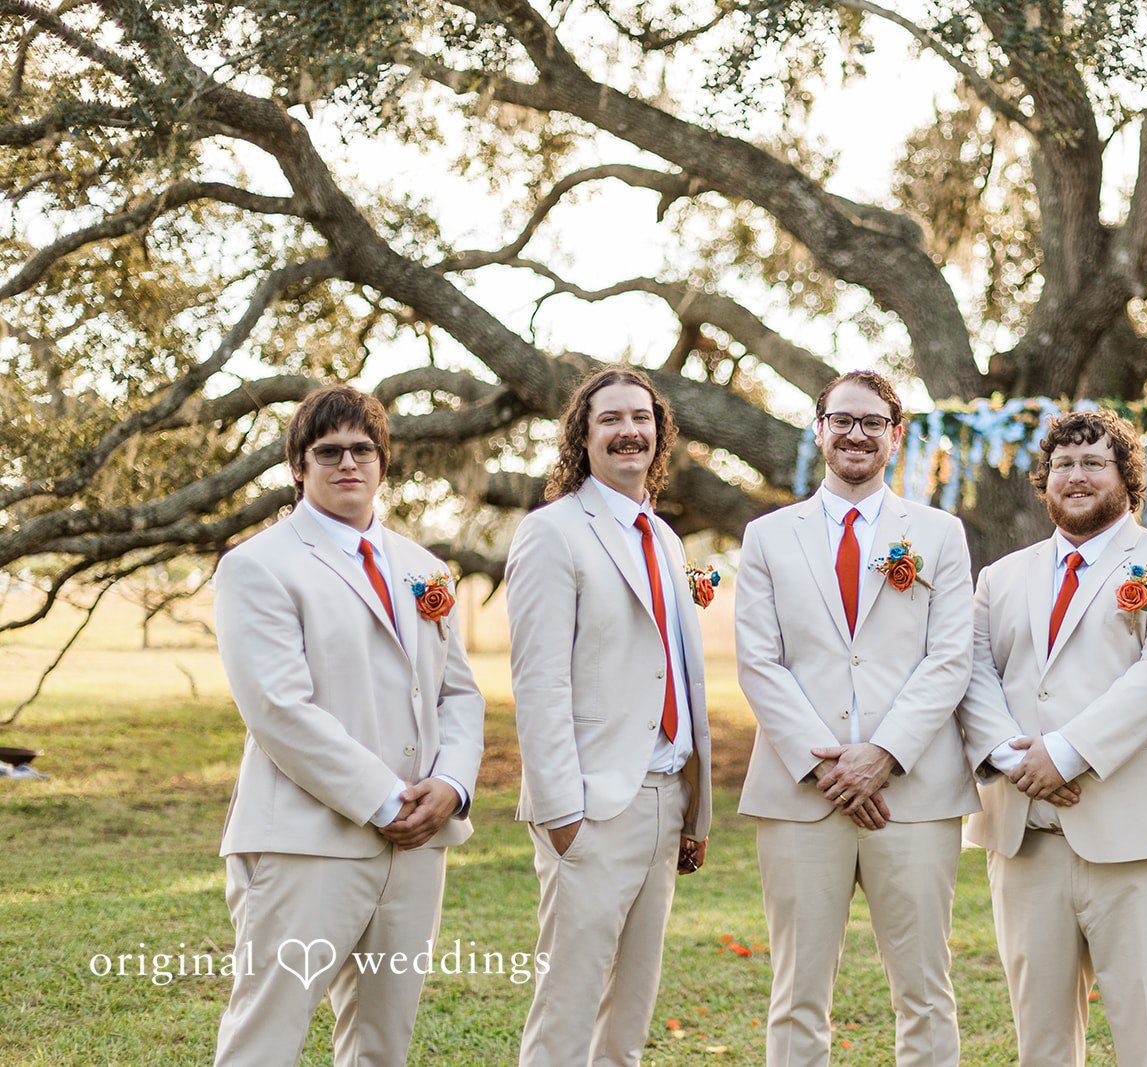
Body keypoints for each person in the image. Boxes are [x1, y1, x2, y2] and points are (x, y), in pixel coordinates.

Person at [212, 384, 484, 1067]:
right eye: (327, 451)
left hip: (416, 847)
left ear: (383, 462)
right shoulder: (258, 565)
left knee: (381, 1045)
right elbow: (279, 708)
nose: (347, 463)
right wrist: (390, 800)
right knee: (265, 1039)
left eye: (363, 449)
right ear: (298, 466)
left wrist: (450, 782)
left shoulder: (424, 568)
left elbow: (460, 692)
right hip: (307, 842)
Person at [958, 409, 1147, 1066]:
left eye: (1092, 463)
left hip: (1145, 843)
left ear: (1126, 477)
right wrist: (1008, 756)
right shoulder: (1001, 578)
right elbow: (973, 671)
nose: (1074, 476)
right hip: (1025, 839)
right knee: (1041, 1044)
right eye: (1062, 464)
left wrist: (1065, 754)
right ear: (1044, 479)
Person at [735, 370, 976, 1066]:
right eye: (842, 420)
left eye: (873, 422)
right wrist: (826, 761)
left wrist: (883, 754)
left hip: (914, 792)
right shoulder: (769, 535)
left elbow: (949, 657)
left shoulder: (938, 534)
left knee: (926, 991)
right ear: (819, 430)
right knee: (797, 992)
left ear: (895, 437)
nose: (856, 434)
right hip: (799, 794)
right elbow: (759, 660)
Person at [506, 365, 712, 1067]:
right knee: (565, 1016)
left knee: (626, 1023)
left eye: (641, 418)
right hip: (591, 807)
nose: (629, 431)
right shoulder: (552, 533)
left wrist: (694, 808)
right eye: (610, 420)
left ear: (659, 433)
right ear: (583, 437)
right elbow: (537, 682)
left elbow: (676, 671)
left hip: (662, 798)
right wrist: (563, 812)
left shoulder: (665, 539)